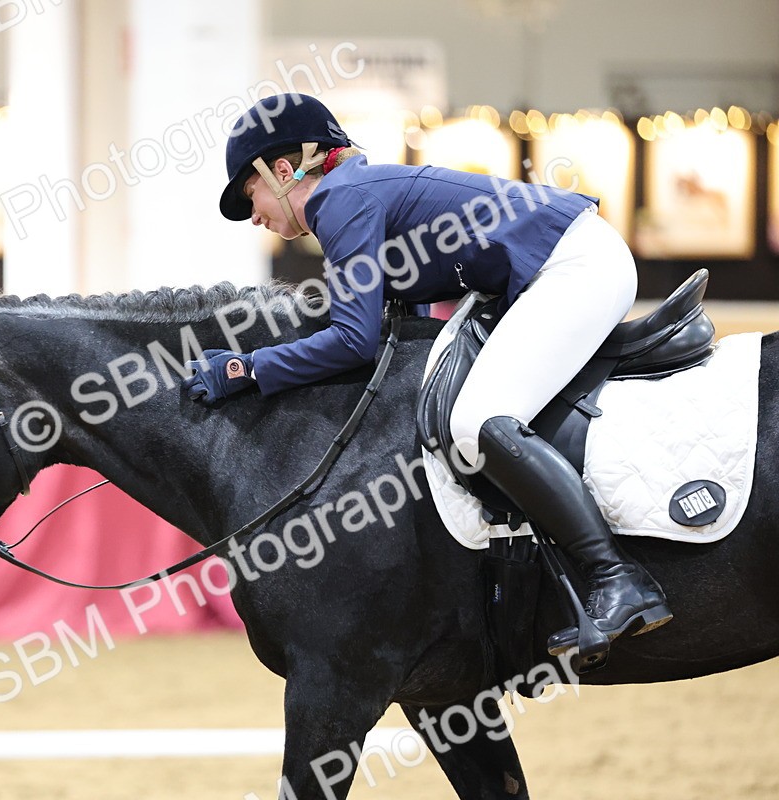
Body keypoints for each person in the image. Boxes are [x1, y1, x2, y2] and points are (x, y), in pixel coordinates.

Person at [182, 92, 671, 656]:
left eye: (253, 195)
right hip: (560, 261)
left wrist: (245, 368)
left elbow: (352, 341)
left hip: (573, 265)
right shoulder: (356, 197)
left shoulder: (342, 201)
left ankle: (616, 577)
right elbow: (398, 332)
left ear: (285, 171)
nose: (257, 216)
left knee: (477, 420)